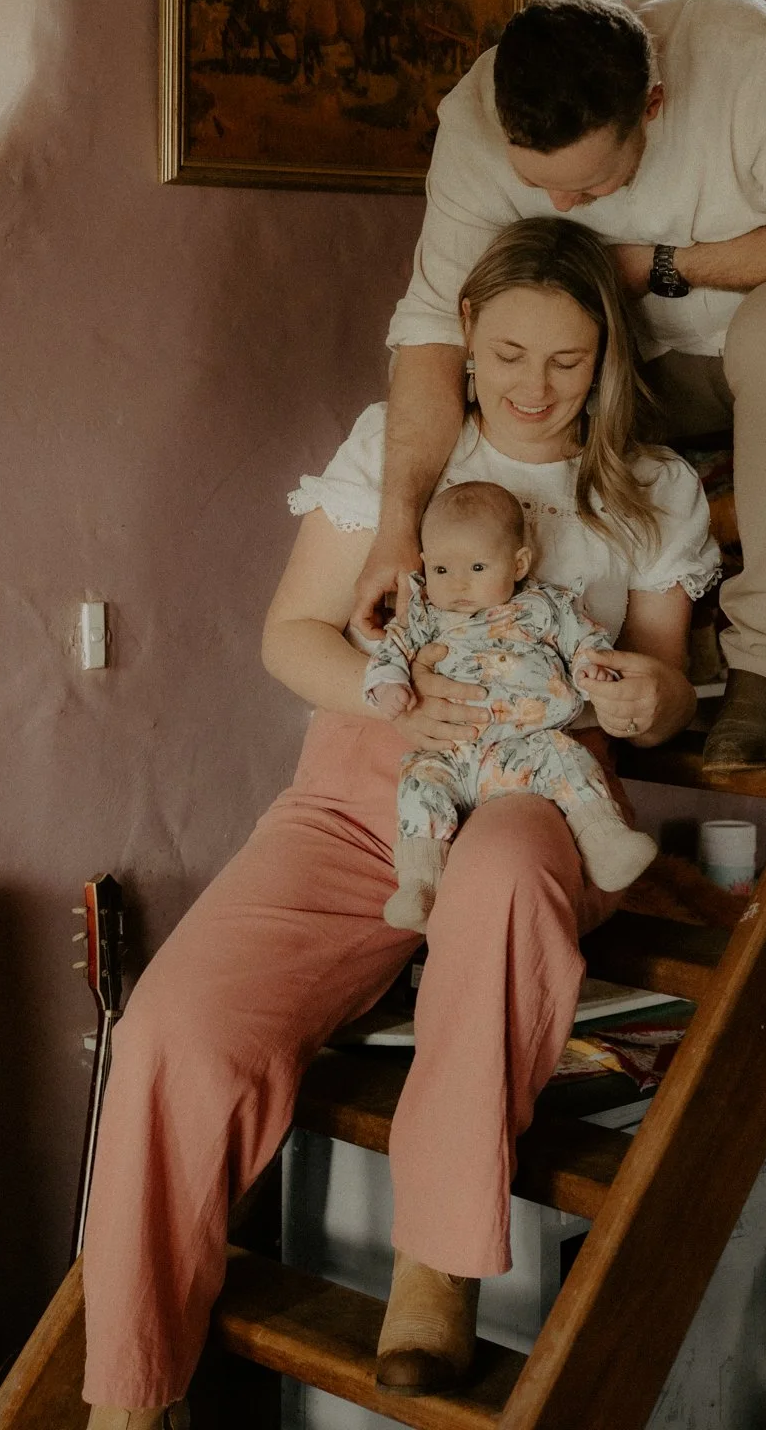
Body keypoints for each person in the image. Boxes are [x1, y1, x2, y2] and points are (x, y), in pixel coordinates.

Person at [79, 218, 719, 1429]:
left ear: (610, 359)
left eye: (570, 360)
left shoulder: (648, 489)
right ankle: (126, 1392)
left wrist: (647, 696)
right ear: (466, 341)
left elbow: (665, 683)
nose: (536, 386)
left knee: (502, 882)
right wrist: (406, 699)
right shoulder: (397, 452)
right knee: (173, 1028)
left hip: (541, 786)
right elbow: (293, 636)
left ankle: (437, 1258)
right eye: (511, 352)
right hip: (369, 784)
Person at [354, 0, 766, 767]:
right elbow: (433, 324)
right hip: (645, 368)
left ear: (652, 105)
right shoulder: (474, 115)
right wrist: (398, 525)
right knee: (518, 374)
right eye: (539, 187)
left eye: (588, 189)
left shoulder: (749, 55)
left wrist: (660, 267)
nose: (560, 204)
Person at [365, 479, 658, 930]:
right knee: (419, 784)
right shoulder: (424, 615)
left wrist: (589, 668)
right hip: (450, 752)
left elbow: (584, 641)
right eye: (442, 570)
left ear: (518, 563)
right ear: (425, 566)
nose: (458, 583)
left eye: (478, 567)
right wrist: (388, 687)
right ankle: (421, 884)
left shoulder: (543, 607)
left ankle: (605, 841)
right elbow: (392, 650)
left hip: (527, 745)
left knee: (566, 758)